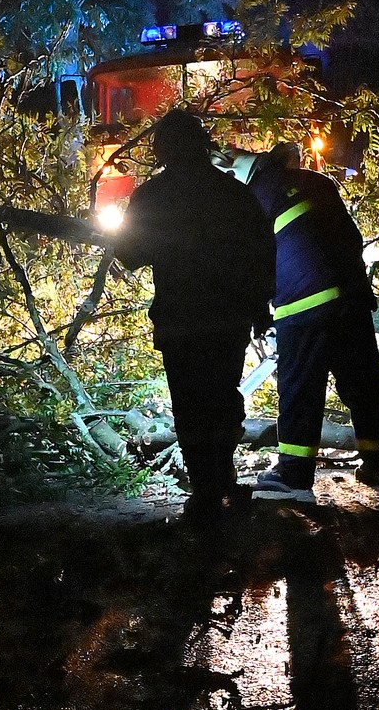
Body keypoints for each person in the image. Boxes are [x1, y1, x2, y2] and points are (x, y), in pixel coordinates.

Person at [113, 110, 274, 521]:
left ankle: (205, 489)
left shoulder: (151, 196)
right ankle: (223, 478)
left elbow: (130, 255)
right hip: (227, 319)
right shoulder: (234, 193)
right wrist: (260, 310)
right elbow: (261, 253)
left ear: (162, 149)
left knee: (190, 404)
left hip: (180, 319)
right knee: (223, 396)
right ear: (204, 145)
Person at [218, 141, 379, 501]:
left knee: (300, 388)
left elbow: (252, 265)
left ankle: (295, 475)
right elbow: (352, 237)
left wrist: (255, 311)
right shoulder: (318, 182)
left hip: (304, 304)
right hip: (351, 296)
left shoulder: (248, 200)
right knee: (362, 383)